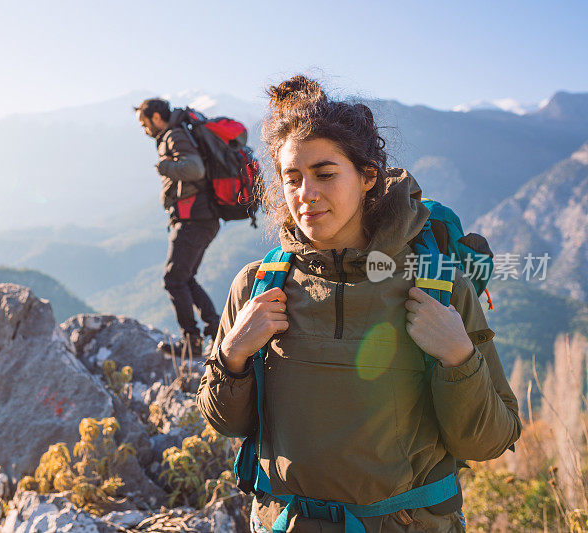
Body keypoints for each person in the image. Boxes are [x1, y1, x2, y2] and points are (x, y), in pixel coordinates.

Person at [197, 76, 521, 532]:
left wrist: (458, 357)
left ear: (367, 176)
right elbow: (227, 424)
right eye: (292, 178)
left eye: (325, 174)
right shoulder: (258, 285)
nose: (305, 195)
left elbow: (490, 440)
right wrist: (232, 356)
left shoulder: (436, 288)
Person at [135, 98, 221, 355]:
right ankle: (215, 330)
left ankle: (192, 342)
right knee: (184, 278)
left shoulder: (174, 135)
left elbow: (194, 169)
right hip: (202, 219)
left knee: (173, 280)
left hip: (195, 220)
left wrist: (164, 166)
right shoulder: (176, 133)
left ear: (157, 118)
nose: (145, 129)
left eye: (144, 123)